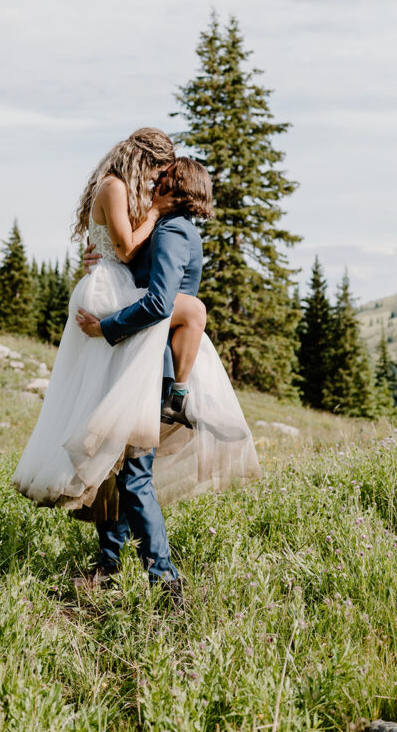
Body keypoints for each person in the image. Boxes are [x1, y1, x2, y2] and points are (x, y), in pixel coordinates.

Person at [76, 156, 261, 592]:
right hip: (136, 362)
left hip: (153, 366)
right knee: (115, 466)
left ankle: (165, 580)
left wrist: (105, 327)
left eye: (163, 176)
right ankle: (109, 564)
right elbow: (130, 269)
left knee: (134, 474)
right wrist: (100, 263)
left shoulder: (175, 232)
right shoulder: (165, 228)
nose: (154, 180)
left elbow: (160, 304)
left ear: (174, 187)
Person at [12, 128, 210, 517]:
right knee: (187, 314)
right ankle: (177, 395)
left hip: (114, 287)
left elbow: (120, 251)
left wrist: (105, 259)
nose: (156, 181)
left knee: (118, 425)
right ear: (145, 161)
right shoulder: (116, 187)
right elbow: (122, 247)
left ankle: (111, 555)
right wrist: (153, 214)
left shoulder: (120, 189)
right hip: (111, 295)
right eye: (157, 171)